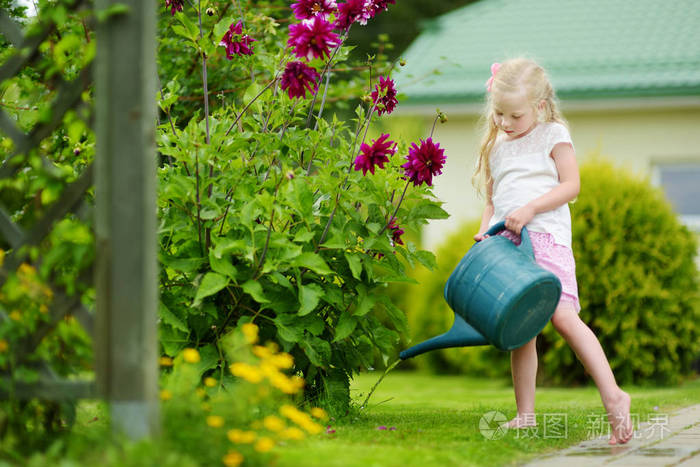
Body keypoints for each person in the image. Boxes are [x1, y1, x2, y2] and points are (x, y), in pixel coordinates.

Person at [472, 58, 633, 445]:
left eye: (515, 115)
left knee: (563, 317)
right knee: (521, 331)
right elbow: (493, 202)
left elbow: (571, 185)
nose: (506, 122)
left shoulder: (553, 134)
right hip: (509, 248)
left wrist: (530, 209)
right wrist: (482, 234)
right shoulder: (497, 146)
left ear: (540, 106)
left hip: (546, 240)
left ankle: (614, 397)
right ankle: (525, 415)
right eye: (499, 114)